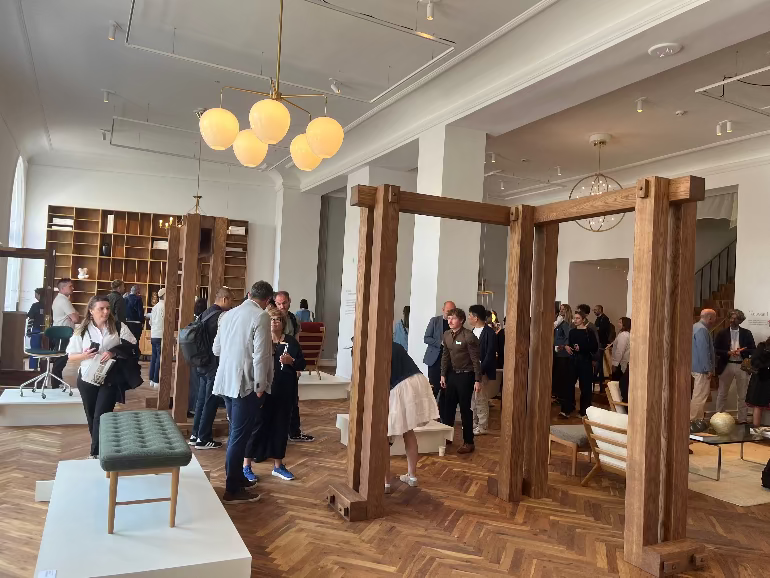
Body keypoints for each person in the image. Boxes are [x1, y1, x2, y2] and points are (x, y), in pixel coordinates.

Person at [212, 280, 274, 504]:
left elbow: (216, 349)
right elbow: (262, 356)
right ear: (268, 301)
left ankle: (237, 478)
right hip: (245, 385)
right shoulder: (261, 316)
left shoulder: (227, 314)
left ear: (249, 294)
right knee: (239, 436)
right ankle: (232, 489)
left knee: (237, 433)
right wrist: (260, 385)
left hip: (225, 381)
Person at [66, 295, 138, 458]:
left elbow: (132, 346)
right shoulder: (82, 330)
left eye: (107, 308)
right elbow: (70, 356)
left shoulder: (118, 327)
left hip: (111, 378)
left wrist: (113, 351)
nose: (105, 312)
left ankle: (95, 452)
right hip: (87, 378)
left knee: (102, 416)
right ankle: (98, 448)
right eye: (101, 308)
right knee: (92, 416)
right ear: (91, 311)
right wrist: (84, 355)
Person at [244, 305, 306, 482]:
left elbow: (302, 364)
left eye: (278, 320)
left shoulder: (291, 342)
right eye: (271, 319)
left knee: (280, 428)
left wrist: (291, 360)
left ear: (283, 323)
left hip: (285, 392)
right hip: (264, 391)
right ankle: (246, 465)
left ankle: (278, 466)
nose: (274, 323)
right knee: (257, 427)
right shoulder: (262, 341)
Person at [384, 342, 440, 491]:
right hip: (418, 381)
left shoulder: (375, 350)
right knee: (408, 431)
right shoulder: (395, 345)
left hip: (400, 386)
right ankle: (412, 475)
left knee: (384, 435)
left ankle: (385, 482)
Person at [189, 287, 233, 450]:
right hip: (212, 363)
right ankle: (204, 437)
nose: (231, 305)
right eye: (231, 301)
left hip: (201, 362)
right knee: (211, 400)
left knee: (201, 400)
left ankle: (195, 434)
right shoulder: (220, 316)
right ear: (225, 299)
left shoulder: (205, 313)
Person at [440, 307, 481, 454]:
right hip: (451, 375)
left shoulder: (469, 336)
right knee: (448, 408)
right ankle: (446, 437)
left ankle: (469, 442)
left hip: (466, 376)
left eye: (454, 318)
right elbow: (445, 356)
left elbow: (476, 360)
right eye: (449, 318)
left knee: (465, 409)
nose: (450, 321)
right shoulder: (446, 335)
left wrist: (477, 380)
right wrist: (443, 374)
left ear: (461, 321)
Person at [275, 290, 314, 443]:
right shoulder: (271, 316)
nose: (281, 306)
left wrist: (296, 364)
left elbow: (296, 341)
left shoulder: (293, 318)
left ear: (289, 301)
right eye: (278, 303)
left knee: (293, 400)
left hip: (290, 361)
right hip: (276, 363)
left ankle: (294, 431)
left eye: (284, 303)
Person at [714, 309, 756, 424]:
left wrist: (742, 352)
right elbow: (716, 349)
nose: (732, 320)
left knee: (743, 395)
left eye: (735, 318)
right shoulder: (722, 333)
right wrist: (727, 353)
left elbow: (753, 349)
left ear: (740, 320)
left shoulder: (747, 333)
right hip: (726, 365)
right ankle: (718, 418)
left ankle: (742, 419)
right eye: (731, 318)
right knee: (722, 393)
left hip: (741, 366)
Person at [468, 304, 496, 435]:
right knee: (473, 399)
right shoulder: (471, 332)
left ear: (476, 317)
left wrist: (479, 371)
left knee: (481, 398)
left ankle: (483, 425)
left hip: (482, 372)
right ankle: (474, 423)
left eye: (470, 315)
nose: (468, 317)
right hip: (470, 371)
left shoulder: (490, 333)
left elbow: (490, 354)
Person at [565, 310, 598, 417]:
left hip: (585, 361)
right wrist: (567, 347)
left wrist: (582, 348)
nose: (575, 320)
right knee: (569, 384)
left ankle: (584, 411)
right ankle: (567, 409)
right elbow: (569, 344)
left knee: (585, 387)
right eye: (575, 318)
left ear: (583, 320)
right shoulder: (572, 332)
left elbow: (594, 347)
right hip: (573, 360)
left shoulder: (589, 332)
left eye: (578, 318)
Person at [51, 278, 80, 384]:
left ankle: (57, 382)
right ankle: (55, 384)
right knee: (60, 359)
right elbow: (76, 318)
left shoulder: (62, 299)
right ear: (62, 288)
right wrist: (75, 314)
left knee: (62, 358)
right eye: (70, 286)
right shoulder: (63, 300)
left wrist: (75, 314)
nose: (73, 288)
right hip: (61, 333)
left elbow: (75, 316)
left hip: (62, 333)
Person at [690, 309, 717, 421]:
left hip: (695, 366)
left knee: (698, 394)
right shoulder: (702, 330)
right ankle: (695, 421)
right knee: (700, 395)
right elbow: (703, 350)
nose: (715, 321)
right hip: (701, 368)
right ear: (709, 318)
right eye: (714, 318)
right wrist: (708, 368)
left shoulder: (694, 327)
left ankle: (694, 419)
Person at [424, 301, 454, 398]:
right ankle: (430, 411)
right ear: (443, 310)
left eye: (452, 311)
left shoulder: (455, 323)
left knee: (446, 389)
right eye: (448, 310)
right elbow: (426, 338)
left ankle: (442, 412)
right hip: (435, 360)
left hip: (449, 361)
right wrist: (440, 342)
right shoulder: (435, 321)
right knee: (433, 388)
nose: (450, 313)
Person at [553, 304, 574, 418]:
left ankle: (565, 403)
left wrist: (563, 345)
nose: (561, 311)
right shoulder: (559, 322)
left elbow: (567, 337)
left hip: (563, 354)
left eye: (563, 310)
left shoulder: (566, 324)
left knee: (562, 378)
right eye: (560, 309)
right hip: (557, 353)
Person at [746, 337, 770, 428]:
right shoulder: (762, 346)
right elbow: (754, 361)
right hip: (761, 379)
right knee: (758, 405)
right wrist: (767, 366)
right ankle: (756, 431)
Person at [146, 288, 166, 388]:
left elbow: (150, 322)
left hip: (154, 334)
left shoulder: (155, 307)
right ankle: (156, 380)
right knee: (159, 358)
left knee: (154, 357)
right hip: (161, 335)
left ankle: (151, 379)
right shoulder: (165, 307)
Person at [609, 317, 631, 403]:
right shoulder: (625, 334)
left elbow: (620, 350)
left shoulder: (624, 335)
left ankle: (617, 403)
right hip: (622, 362)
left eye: (620, 322)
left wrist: (615, 364)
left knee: (617, 386)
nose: (618, 324)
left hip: (621, 363)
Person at [26, 288, 45, 370]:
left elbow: (31, 319)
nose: (35, 296)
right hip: (40, 330)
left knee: (35, 349)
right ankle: (37, 367)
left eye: (36, 294)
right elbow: (31, 318)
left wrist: (28, 330)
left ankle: (36, 368)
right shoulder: (39, 305)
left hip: (37, 330)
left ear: (39, 295)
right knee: (38, 349)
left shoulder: (36, 306)